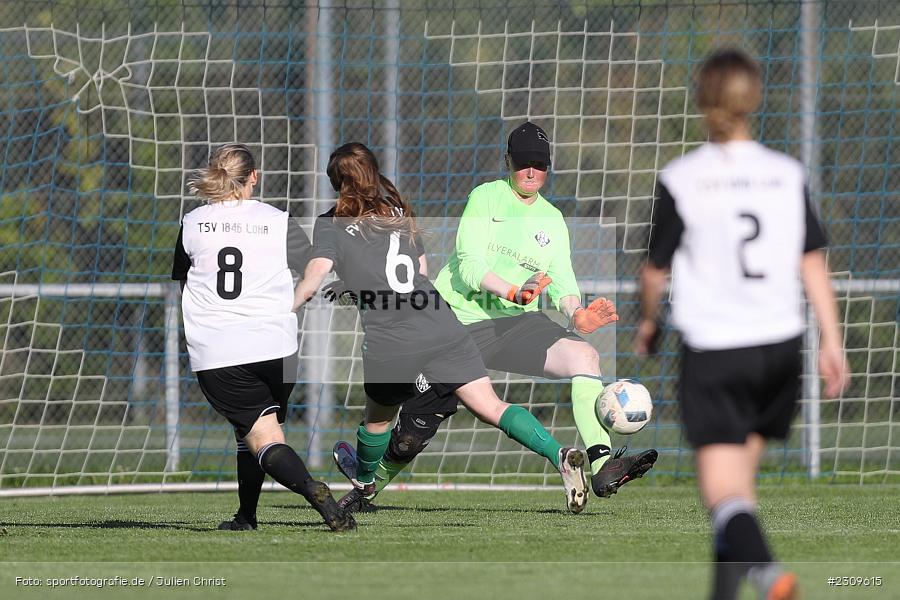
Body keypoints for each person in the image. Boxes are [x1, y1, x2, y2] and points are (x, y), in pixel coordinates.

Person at [332, 122, 658, 512]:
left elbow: (561, 281)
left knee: (585, 356)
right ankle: (362, 494)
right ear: (508, 162)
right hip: (456, 323)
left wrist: (577, 314)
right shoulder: (486, 198)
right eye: (524, 164)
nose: (532, 172)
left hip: (517, 325)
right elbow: (470, 266)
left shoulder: (553, 219)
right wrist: (513, 291)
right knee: (408, 437)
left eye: (540, 164)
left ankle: (604, 464)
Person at [635, 48, 850, 600]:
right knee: (738, 495)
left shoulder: (683, 178)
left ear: (703, 100)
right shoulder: (786, 174)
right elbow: (811, 262)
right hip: (780, 348)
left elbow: (655, 271)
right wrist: (832, 341)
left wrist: (649, 324)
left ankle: (769, 574)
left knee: (723, 495)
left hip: (717, 350)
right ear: (753, 99)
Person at [293, 142, 589, 513]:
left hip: (392, 338)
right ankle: (558, 452)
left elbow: (315, 275)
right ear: (373, 172)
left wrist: (287, 305)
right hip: (441, 321)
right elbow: (419, 272)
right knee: (490, 405)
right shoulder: (398, 212)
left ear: (336, 182)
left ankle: (365, 480)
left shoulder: (331, 222)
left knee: (377, 421)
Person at [171, 143, 355, 532]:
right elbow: (312, 266)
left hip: (221, 350)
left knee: (263, 438)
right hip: (278, 347)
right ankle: (246, 516)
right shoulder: (277, 219)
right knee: (252, 431)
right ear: (254, 176)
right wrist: (293, 302)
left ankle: (314, 492)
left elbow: (183, 282)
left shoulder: (193, 221)